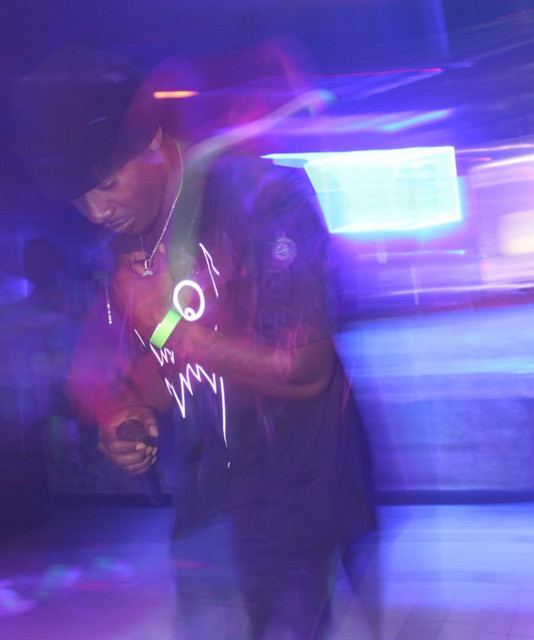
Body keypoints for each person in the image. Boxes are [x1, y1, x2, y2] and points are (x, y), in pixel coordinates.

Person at [13, 46, 377, 640]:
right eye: (80, 198)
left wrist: (170, 328)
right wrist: (129, 416)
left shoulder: (266, 199)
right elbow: (148, 371)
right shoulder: (123, 242)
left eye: (106, 183)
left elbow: (307, 369)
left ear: (153, 142)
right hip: (206, 508)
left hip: (297, 498)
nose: (97, 210)